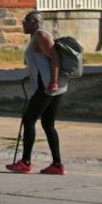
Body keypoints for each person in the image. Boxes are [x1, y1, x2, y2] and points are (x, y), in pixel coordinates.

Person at [6, 10, 67, 175]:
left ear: (34, 22)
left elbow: (54, 58)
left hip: (47, 87)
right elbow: (42, 61)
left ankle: (26, 162)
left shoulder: (41, 35)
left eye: (25, 21)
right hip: (52, 86)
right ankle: (57, 165)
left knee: (28, 120)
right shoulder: (37, 37)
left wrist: (53, 81)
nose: (23, 24)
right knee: (48, 124)